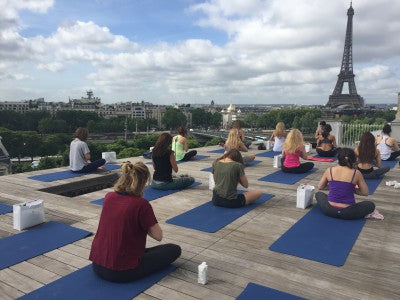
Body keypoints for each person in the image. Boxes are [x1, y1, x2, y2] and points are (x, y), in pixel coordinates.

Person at [89, 161, 181, 282]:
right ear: (143, 182)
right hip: (121, 272)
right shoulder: (141, 204)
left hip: (97, 264)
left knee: (144, 251)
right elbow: (158, 236)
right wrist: (143, 222)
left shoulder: (108, 197)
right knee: (173, 249)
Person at [315, 148, 379, 220]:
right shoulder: (356, 173)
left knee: (319, 194)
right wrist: (350, 189)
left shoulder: (329, 170)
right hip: (348, 212)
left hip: (329, 210)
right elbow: (365, 192)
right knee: (370, 204)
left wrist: (336, 187)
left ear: (338, 158)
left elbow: (320, 186)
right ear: (354, 160)